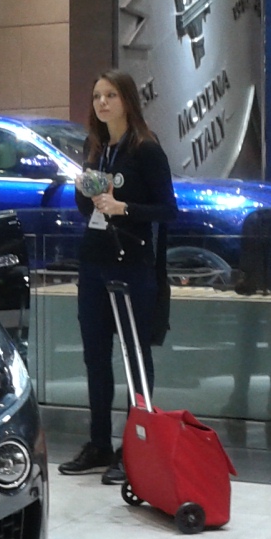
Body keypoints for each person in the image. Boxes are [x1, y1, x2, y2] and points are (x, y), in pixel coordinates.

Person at [57, 70, 177, 485]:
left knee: (134, 358)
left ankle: (135, 447)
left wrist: (124, 208)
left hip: (132, 265)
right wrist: (85, 191)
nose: (102, 103)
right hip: (94, 262)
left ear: (127, 100)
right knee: (95, 356)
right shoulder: (95, 148)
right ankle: (99, 443)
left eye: (110, 95)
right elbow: (86, 210)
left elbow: (169, 209)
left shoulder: (146, 149)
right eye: (97, 96)